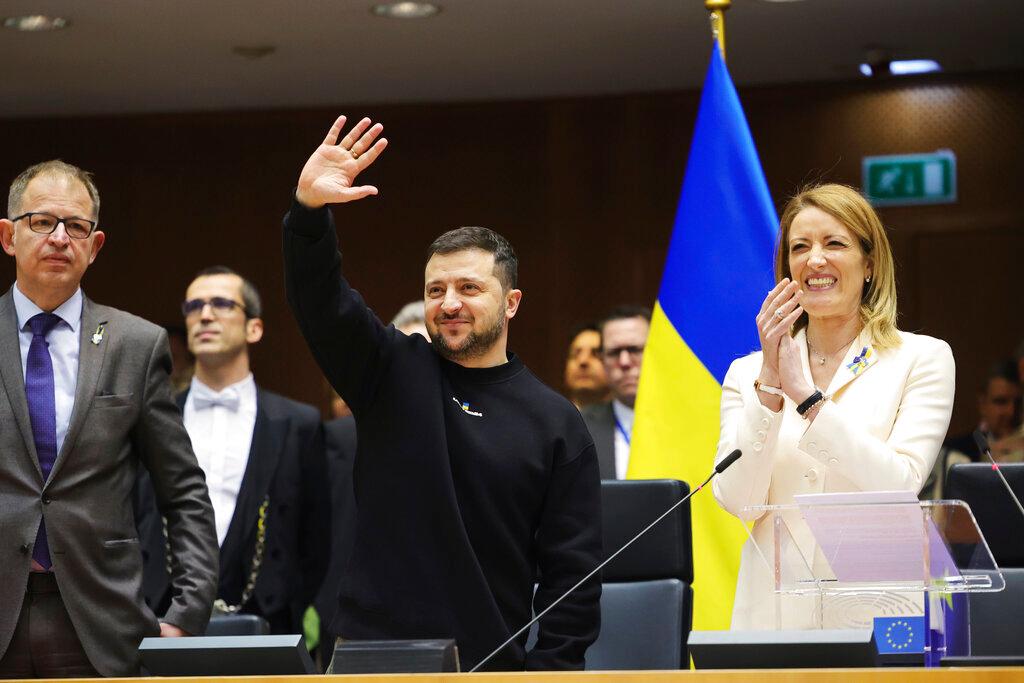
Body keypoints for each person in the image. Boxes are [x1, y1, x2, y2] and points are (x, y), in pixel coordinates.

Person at [282, 116, 601, 671]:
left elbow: (573, 577)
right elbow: (323, 304)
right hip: (367, 658)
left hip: (489, 664)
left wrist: (550, 674)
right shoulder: (389, 371)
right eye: (436, 290)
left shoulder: (556, 421)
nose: (449, 303)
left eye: (469, 288)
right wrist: (310, 215)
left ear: (513, 302)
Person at [0, 160, 218, 677]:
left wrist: (186, 614)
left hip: (101, 621)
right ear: (8, 236)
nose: (59, 238)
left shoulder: (135, 345)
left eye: (76, 226)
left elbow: (182, 489)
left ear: (94, 246)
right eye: (41, 222)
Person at [713, 183, 955, 630]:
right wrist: (769, 385)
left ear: (869, 264)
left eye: (835, 244)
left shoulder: (921, 358)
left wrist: (807, 398)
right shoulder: (746, 373)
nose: (815, 260)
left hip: (880, 613)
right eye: (799, 247)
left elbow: (899, 484)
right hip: (773, 613)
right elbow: (738, 502)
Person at [137, 267, 331, 635]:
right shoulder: (150, 419)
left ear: (253, 328)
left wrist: (291, 604)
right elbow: (135, 517)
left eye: (222, 304)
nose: (204, 314)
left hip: (270, 624)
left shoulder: (298, 424)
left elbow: (317, 540)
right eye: (193, 306)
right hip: (160, 621)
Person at [581, 307, 651, 479]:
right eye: (614, 352)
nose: (625, 362)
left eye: (635, 349)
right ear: (602, 360)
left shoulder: (689, 424)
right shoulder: (579, 427)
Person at [563, 322, 609, 410]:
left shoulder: (632, 420)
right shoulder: (546, 420)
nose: (583, 361)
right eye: (575, 354)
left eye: (596, 354)